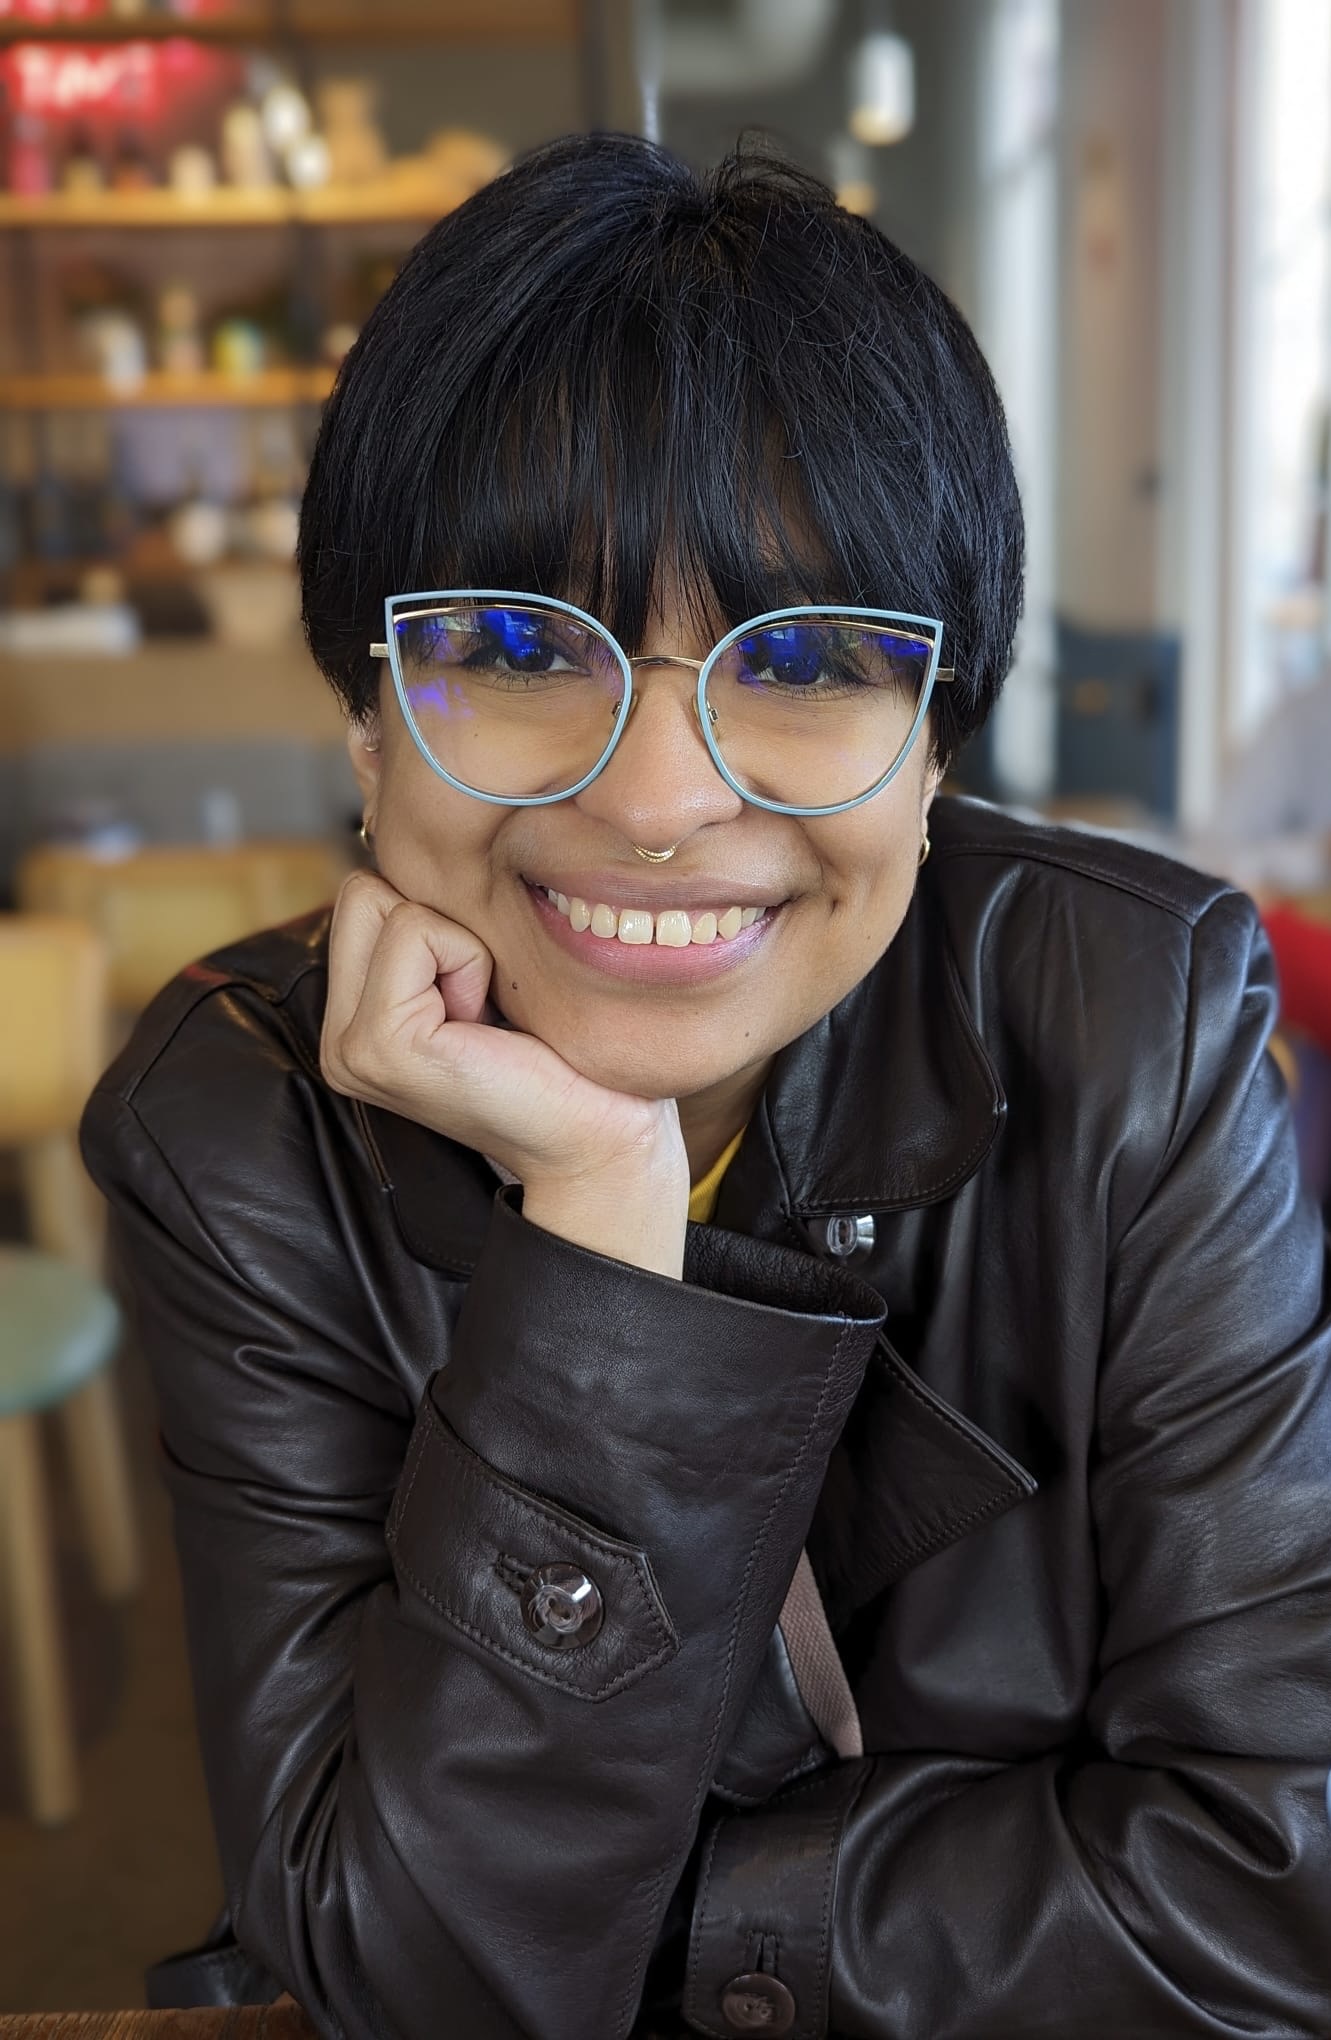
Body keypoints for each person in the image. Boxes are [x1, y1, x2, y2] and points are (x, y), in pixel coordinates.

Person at [81, 133, 1331, 2040]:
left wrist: (668, 1924)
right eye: (510, 644)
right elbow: (430, 1999)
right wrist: (600, 1232)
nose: (660, 802)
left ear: (939, 751)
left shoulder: (1139, 1022)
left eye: (811, 658)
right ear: (363, 716)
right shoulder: (240, 1117)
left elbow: (1288, 1886)